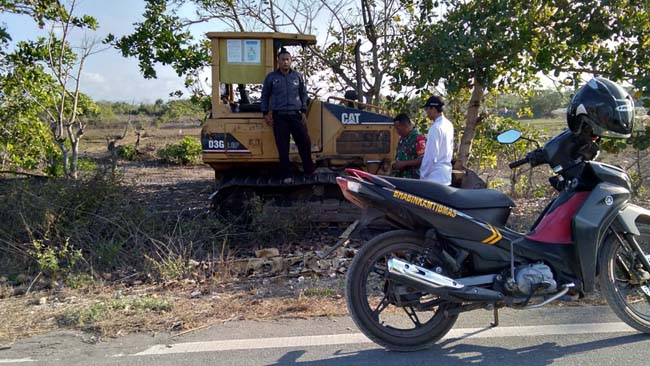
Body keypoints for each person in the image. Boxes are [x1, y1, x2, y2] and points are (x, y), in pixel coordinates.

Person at [260, 48, 314, 183]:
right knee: (283, 147)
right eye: (282, 59)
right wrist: (265, 113)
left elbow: (303, 94)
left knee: (304, 143)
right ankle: (286, 175)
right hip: (279, 117)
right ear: (278, 61)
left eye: (287, 59)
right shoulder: (271, 77)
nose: (285, 62)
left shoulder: (297, 76)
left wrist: (303, 110)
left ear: (291, 61)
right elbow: (265, 95)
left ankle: (309, 172)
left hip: (296, 115)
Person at [420, 95, 454, 185]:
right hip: (446, 176)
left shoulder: (435, 128)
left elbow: (431, 156)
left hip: (434, 178)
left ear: (433, 108)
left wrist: (423, 175)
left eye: (427, 109)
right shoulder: (449, 125)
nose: (426, 112)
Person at [392, 113, 426, 179]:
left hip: (413, 179)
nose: (397, 131)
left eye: (398, 129)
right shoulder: (402, 139)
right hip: (401, 178)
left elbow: (422, 159)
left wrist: (404, 163)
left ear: (405, 125)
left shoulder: (418, 138)